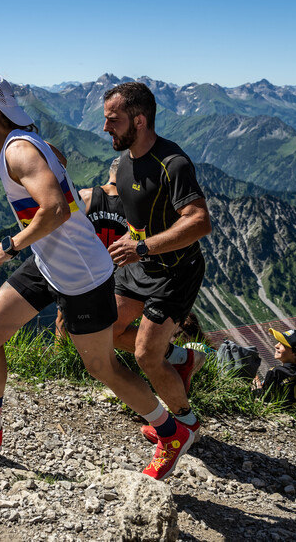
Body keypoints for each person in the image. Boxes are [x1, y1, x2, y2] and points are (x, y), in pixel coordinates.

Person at [0, 71, 196, 480]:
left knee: (103, 367)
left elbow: (54, 209)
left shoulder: (18, 151)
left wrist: (10, 245)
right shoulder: (23, 142)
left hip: (82, 275)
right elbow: (59, 160)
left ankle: (172, 432)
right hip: (47, 262)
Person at [101, 82, 212, 446]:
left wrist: (143, 247)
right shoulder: (122, 163)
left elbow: (198, 221)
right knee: (107, 332)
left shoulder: (173, 163)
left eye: (112, 120)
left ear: (140, 120)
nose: (105, 128)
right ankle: (179, 359)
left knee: (146, 355)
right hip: (138, 266)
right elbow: (110, 193)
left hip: (174, 272)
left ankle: (186, 424)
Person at [54, 157, 127, 340]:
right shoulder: (133, 206)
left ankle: (62, 360)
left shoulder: (85, 196)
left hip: (82, 270)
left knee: (64, 317)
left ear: (110, 172)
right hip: (114, 275)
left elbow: (65, 230)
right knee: (107, 322)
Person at [252, 328, 296, 407]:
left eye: (282, 344)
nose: (276, 345)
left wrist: (258, 388)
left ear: (295, 354)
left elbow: (265, 400)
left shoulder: (275, 372)